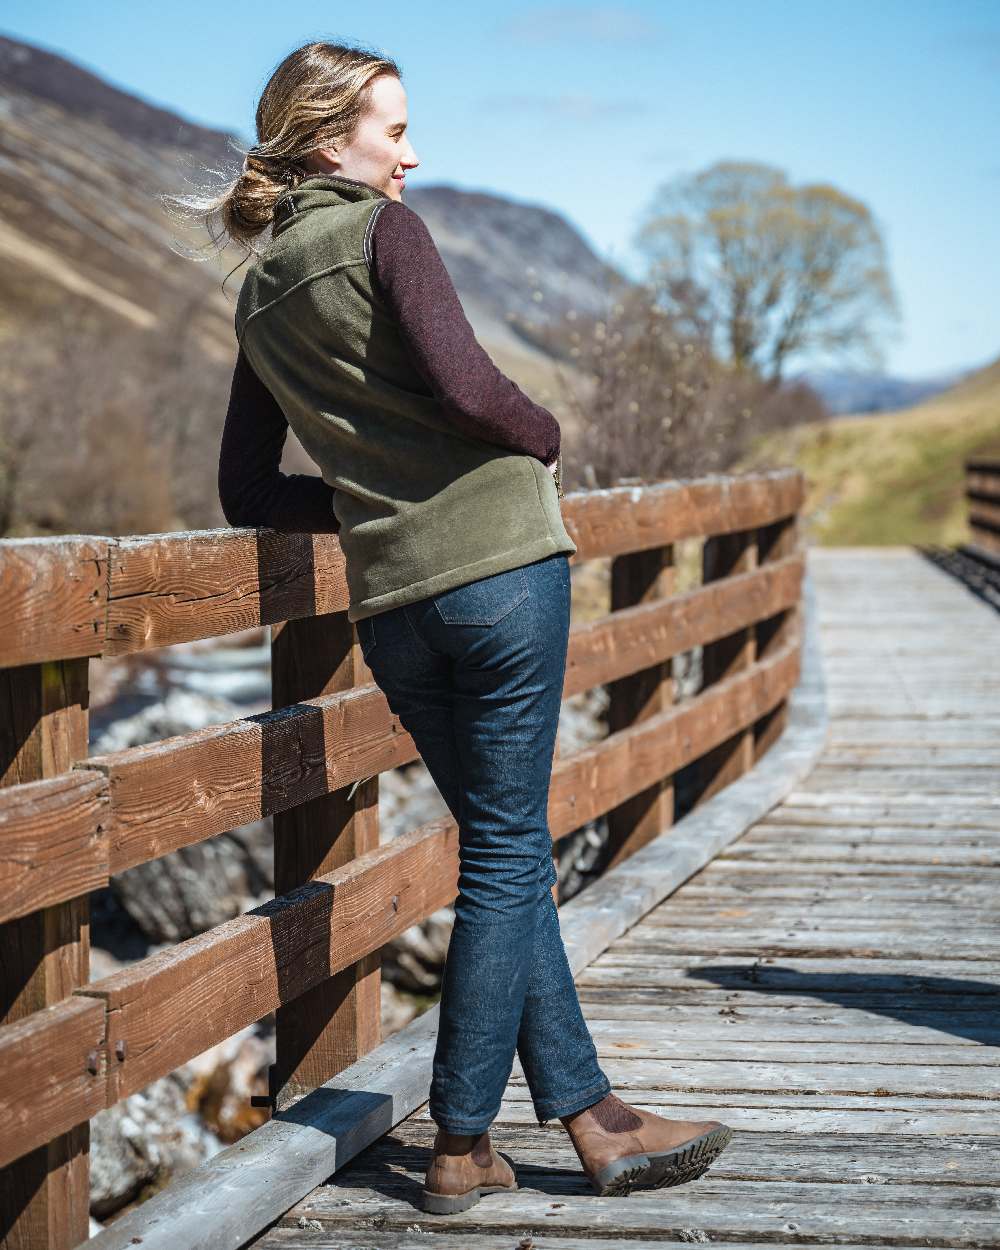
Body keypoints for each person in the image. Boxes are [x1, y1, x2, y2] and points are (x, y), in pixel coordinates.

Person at [203, 38, 732, 1214]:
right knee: (506, 854)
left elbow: (250, 491)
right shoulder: (385, 232)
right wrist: (540, 433)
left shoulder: (260, 288)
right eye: (395, 130)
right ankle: (460, 1141)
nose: (412, 152)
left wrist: (366, 500)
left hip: (393, 606)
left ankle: (596, 1116)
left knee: (499, 846)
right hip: (499, 574)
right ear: (333, 136)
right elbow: (466, 385)